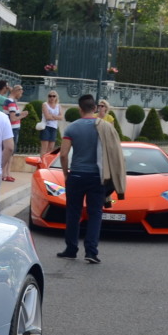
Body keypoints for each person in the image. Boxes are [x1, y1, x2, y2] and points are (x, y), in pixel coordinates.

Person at [56, 94, 125, 265]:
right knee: (95, 214)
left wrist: (66, 174)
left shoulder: (71, 128)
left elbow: (63, 154)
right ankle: (91, 252)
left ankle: (71, 249)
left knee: (73, 213)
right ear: (95, 109)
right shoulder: (105, 127)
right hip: (98, 177)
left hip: (77, 175)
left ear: (80, 109)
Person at [3, 86, 24, 180]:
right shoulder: (11, 103)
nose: (21, 94)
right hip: (12, 129)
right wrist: (22, 116)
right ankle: (5, 174)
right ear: (17, 91)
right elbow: (13, 118)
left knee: (9, 152)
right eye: (21, 92)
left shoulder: (10, 101)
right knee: (10, 151)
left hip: (11, 129)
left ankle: (6, 173)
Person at [41, 90, 62, 156]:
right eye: (50, 96)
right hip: (46, 127)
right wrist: (56, 117)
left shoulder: (58, 106)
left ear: (56, 97)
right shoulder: (45, 104)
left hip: (54, 128)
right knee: (44, 148)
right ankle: (42, 164)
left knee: (51, 148)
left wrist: (52, 115)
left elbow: (61, 117)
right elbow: (47, 117)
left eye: (53, 96)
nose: (52, 98)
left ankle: (47, 164)